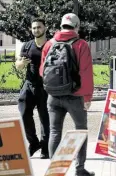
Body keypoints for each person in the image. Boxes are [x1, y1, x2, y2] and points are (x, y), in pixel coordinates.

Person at [39, 13, 94, 176]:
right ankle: (80, 169)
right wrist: (87, 97)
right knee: (80, 130)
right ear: (77, 26)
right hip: (75, 96)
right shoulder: (81, 44)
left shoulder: (49, 44)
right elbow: (86, 73)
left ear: (61, 25)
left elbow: (43, 71)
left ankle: (55, 171)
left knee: (55, 131)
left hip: (53, 96)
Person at [15, 18, 50, 159]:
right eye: (34, 28)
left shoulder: (51, 45)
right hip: (29, 85)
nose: (36, 30)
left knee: (45, 118)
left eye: (39, 27)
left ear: (45, 28)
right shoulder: (27, 46)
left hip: (46, 87)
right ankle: (34, 142)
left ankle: (46, 148)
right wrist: (21, 63)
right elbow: (18, 64)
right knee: (23, 114)